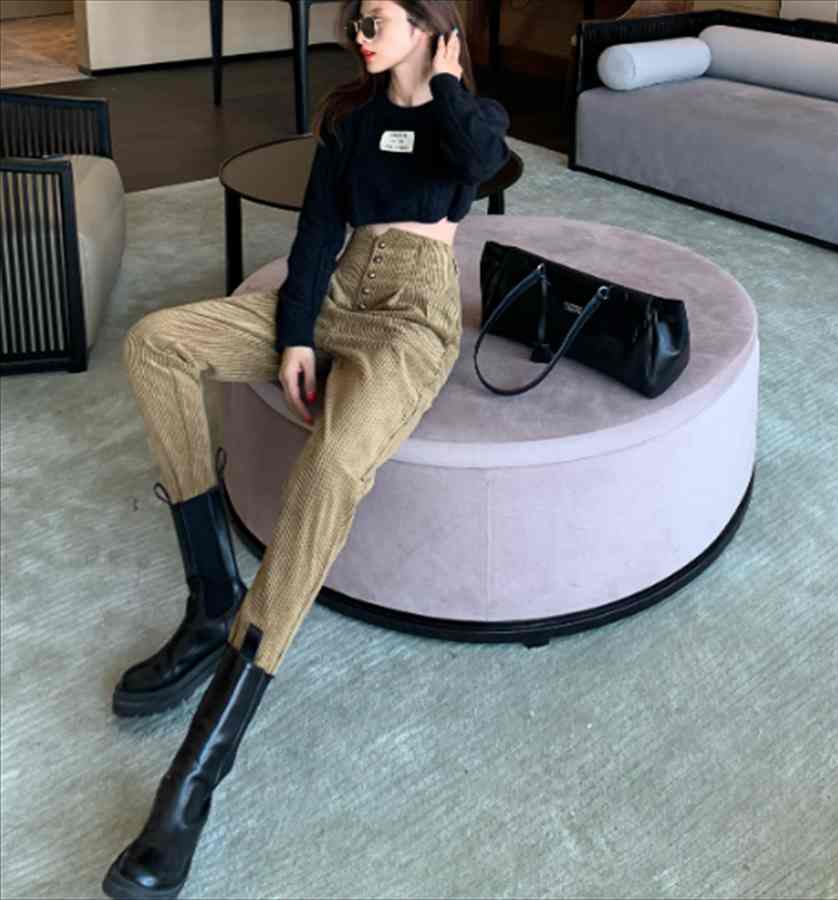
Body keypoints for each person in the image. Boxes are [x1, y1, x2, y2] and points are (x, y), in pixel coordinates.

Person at [102, 1, 511, 897]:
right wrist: (293, 335)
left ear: (428, 23)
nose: (358, 32)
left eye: (376, 17)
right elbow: (318, 232)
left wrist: (444, 81)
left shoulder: (466, 117)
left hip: (410, 318)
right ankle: (212, 597)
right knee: (156, 342)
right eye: (353, 20)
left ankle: (195, 776)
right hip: (332, 293)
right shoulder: (350, 122)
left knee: (331, 465)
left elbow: (482, 164)